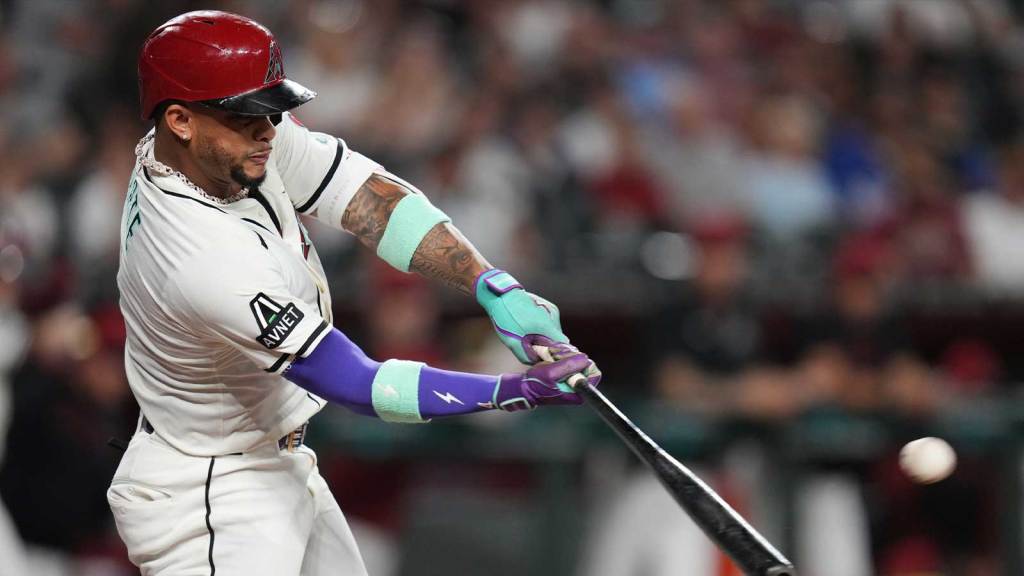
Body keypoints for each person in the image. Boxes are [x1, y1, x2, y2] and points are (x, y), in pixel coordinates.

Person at [109, 10, 599, 576]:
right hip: (212, 495)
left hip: (271, 461)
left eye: (272, 110)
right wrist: (508, 392)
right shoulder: (198, 257)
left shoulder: (210, 146)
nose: (269, 130)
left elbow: (361, 195)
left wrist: (492, 284)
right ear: (179, 120)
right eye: (248, 115)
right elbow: (359, 383)